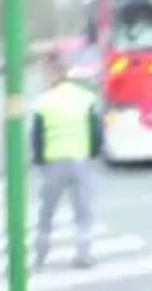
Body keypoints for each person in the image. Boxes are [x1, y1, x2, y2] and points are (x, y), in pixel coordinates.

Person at [30, 53, 103, 270]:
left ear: (52, 74)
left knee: (47, 211)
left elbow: (37, 137)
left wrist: (40, 161)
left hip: (54, 163)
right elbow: (95, 131)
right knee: (82, 211)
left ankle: (40, 256)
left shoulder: (43, 102)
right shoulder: (85, 97)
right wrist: (92, 152)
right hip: (79, 160)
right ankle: (83, 254)